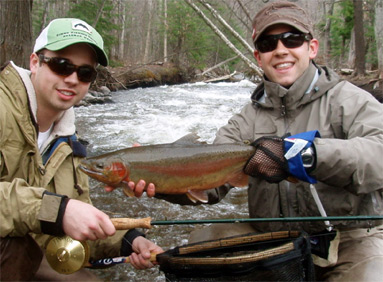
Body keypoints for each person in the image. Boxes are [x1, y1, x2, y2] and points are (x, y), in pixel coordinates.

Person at [130, 1, 383, 281]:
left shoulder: (349, 100)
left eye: (292, 39)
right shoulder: (245, 120)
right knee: (201, 241)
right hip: (273, 241)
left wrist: (308, 155)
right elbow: (211, 187)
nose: (280, 50)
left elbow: (378, 155)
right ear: (258, 56)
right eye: (268, 43)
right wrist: (160, 180)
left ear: (312, 48)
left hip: (350, 241)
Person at [0, 18, 162, 281]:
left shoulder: (70, 142)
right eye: (61, 66)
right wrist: (59, 211)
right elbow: (60, 212)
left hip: (28, 257)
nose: (73, 79)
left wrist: (131, 241)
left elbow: (76, 221)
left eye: (85, 73)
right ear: (34, 62)